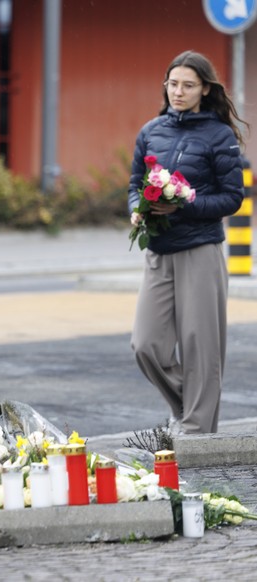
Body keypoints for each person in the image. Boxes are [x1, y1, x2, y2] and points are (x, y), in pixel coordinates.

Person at [129, 50, 246, 434]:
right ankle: (191, 409)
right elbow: (134, 185)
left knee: (201, 347)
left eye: (188, 85)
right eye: (173, 84)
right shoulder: (151, 131)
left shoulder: (220, 136)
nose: (178, 92)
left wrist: (187, 202)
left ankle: (196, 429)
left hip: (200, 250)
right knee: (146, 345)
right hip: (159, 251)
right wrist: (136, 209)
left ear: (205, 89)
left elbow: (232, 199)